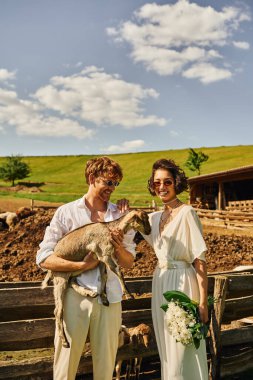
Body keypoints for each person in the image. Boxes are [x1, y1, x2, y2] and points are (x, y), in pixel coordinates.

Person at [36, 156, 136, 380]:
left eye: (115, 184)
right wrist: (81, 266)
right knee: (65, 366)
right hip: (75, 297)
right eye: (107, 182)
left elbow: (129, 262)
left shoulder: (118, 215)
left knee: (105, 368)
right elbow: (43, 257)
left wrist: (118, 247)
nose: (112, 188)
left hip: (110, 300)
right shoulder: (66, 213)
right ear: (92, 178)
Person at [144, 158, 209, 380]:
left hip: (183, 283)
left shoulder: (187, 213)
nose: (162, 187)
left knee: (183, 347)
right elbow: (126, 230)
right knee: (167, 353)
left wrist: (201, 302)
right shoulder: (153, 219)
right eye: (157, 183)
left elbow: (200, 259)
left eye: (167, 182)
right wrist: (122, 210)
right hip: (160, 282)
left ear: (176, 183)